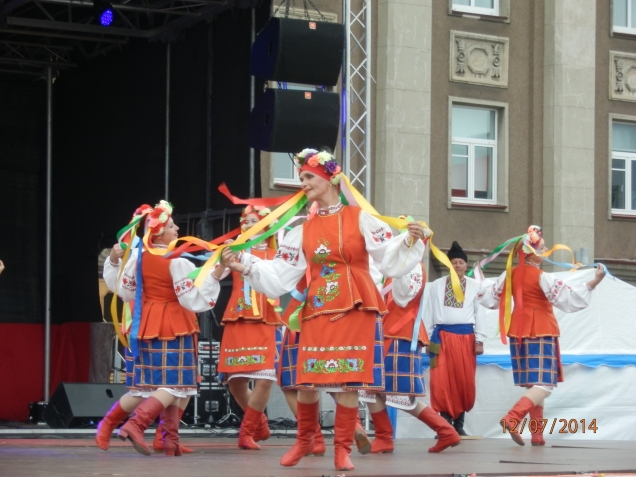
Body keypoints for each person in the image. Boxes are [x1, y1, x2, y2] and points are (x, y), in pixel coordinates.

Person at [221, 148, 426, 471]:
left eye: (308, 177)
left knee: (348, 380)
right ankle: (305, 441)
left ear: (331, 178)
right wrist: (244, 262)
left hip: (356, 305)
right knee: (308, 379)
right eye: (300, 178)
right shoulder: (302, 228)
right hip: (318, 307)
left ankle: (341, 450)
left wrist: (410, 240)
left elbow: (387, 255)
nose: (302, 183)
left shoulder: (360, 218)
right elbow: (280, 274)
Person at [98, 201, 226, 456]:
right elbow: (192, 299)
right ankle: (137, 424)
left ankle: (166, 439)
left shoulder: (138, 258)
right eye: (171, 225)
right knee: (176, 384)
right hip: (175, 324)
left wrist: (113, 262)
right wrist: (216, 273)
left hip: (146, 323)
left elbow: (123, 291)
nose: (177, 228)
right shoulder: (176, 262)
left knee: (153, 386)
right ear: (157, 233)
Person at [477, 225, 606, 446]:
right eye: (543, 248)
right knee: (545, 384)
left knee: (534, 385)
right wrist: (595, 280)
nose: (546, 252)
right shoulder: (541, 276)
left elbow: (490, 298)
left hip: (518, 332)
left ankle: (537, 435)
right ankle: (513, 417)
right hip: (540, 330)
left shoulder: (509, 274)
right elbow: (568, 298)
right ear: (531, 252)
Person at [362, 259, 461, 454]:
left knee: (388, 391)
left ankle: (444, 431)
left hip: (400, 333)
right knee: (371, 389)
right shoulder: (398, 266)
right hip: (388, 332)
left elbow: (402, 297)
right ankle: (385, 437)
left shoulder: (410, 266)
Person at [217, 205, 284, 450]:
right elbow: (217, 276)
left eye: (252, 220)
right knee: (236, 381)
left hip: (266, 316)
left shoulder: (277, 255)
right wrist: (221, 261)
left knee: (265, 378)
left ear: (266, 225)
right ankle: (261, 423)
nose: (245, 224)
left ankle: (246, 432)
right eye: (244, 221)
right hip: (239, 316)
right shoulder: (234, 250)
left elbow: (281, 281)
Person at [423, 241, 485, 437]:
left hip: (465, 339)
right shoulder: (436, 286)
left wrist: (479, 340)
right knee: (440, 381)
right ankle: (444, 425)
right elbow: (429, 311)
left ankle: (458, 424)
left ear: (466, 265)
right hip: (440, 338)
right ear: (448, 265)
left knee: (462, 380)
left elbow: (480, 313)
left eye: (460, 262)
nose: (457, 265)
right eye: (454, 262)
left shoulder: (475, 286)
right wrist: (426, 339)